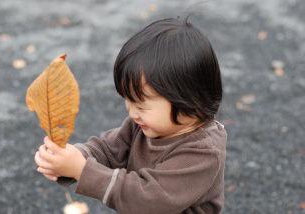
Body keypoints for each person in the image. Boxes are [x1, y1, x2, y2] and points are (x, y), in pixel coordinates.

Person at [35, 14, 227, 214]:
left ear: (191, 101)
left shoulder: (203, 154)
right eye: (128, 99)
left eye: (141, 106)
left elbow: (147, 199)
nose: (132, 112)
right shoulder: (142, 126)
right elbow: (108, 150)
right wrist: (72, 158)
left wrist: (81, 170)